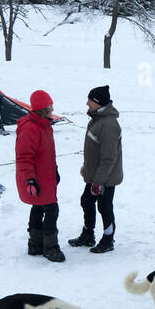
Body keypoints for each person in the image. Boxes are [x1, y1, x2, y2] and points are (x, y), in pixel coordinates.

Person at [68, 85, 122, 254]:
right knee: (86, 201)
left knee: (104, 206)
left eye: (90, 100)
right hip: (95, 175)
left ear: (98, 103)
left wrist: (98, 181)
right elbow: (95, 151)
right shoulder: (98, 119)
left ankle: (108, 239)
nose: (87, 103)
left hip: (105, 177)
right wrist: (87, 168)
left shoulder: (108, 124)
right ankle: (88, 234)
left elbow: (109, 158)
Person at [15, 89, 64, 262]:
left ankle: (35, 245)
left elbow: (48, 154)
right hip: (37, 179)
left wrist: (55, 170)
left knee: (38, 207)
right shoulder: (30, 128)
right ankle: (50, 248)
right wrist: (29, 179)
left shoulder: (44, 125)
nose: (52, 108)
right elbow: (23, 157)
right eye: (49, 106)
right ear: (42, 108)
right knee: (51, 209)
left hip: (46, 176)